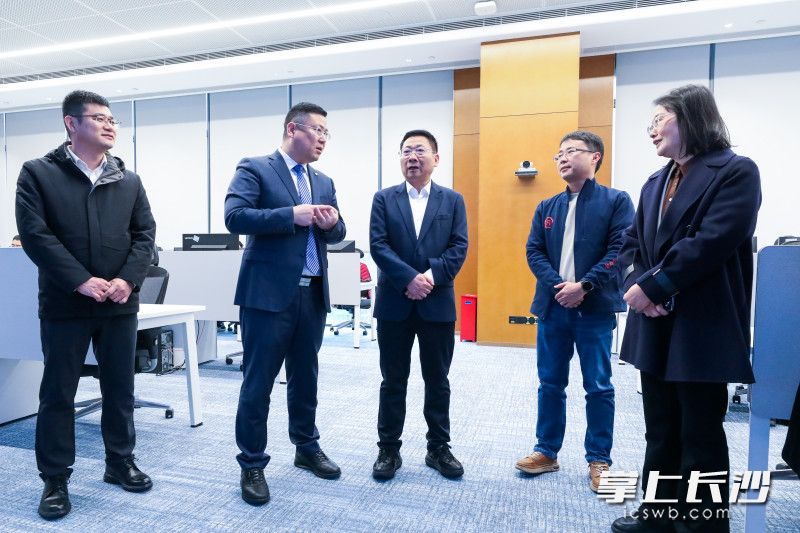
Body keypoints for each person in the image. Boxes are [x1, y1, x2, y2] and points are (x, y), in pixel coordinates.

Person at [611, 85, 761, 533]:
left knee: (701, 431)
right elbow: (630, 247)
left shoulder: (735, 171)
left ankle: (702, 526)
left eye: (659, 119)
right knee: (659, 428)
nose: (651, 130)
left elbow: (712, 242)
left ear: (691, 117)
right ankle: (658, 515)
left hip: (701, 324)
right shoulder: (654, 182)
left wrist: (653, 287)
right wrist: (636, 286)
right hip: (653, 322)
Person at [15, 90, 156, 520]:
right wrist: (80, 280)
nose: (110, 125)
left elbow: (145, 236)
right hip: (65, 302)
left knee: (120, 387)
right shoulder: (38, 173)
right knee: (58, 392)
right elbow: (35, 235)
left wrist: (127, 280)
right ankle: (55, 479)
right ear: (71, 123)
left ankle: (120, 462)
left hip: (118, 302)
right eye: (99, 118)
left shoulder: (128, 179)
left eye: (113, 119)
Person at [224, 102, 346, 506]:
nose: (323, 139)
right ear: (293, 129)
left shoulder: (324, 181)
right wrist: (290, 215)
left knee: (305, 376)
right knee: (258, 382)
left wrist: (332, 225)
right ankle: (252, 463)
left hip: (312, 293)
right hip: (267, 295)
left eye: (327, 133)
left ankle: (306, 446)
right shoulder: (256, 168)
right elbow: (235, 217)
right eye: (318, 130)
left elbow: (337, 231)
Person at [518, 131, 634, 492]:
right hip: (553, 308)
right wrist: (560, 286)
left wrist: (584, 286)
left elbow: (620, 250)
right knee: (550, 382)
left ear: (595, 157)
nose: (563, 158)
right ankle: (546, 451)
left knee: (598, 385)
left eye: (571, 151)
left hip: (594, 309)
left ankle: (599, 458)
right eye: (559, 154)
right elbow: (534, 251)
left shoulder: (616, 201)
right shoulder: (547, 206)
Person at [369, 129, 468, 480]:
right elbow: (378, 245)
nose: (412, 157)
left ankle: (438, 448)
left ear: (436, 159)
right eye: (406, 150)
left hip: (436, 302)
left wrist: (428, 277)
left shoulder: (452, 200)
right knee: (393, 380)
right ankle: (388, 449)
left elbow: (459, 247)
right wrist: (408, 278)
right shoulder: (384, 198)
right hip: (394, 303)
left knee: (437, 380)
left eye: (420, 150)